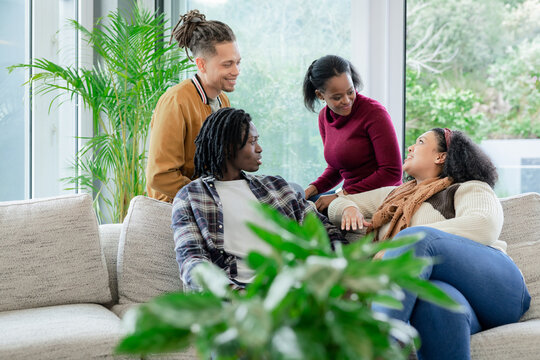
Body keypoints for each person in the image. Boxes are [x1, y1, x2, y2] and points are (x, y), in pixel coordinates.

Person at [328, 128, 531, 360]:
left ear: (440, 156)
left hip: (498, 289)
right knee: (433, 303)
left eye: (420, 142)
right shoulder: (395, 197)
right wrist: (349, 209)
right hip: (460, 302)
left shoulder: (467, 187)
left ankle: (379, 348)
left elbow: (483, 225)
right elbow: (339, 202)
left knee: (416, 239)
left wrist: (399, 246)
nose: (410, 148)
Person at [172, 108, 347, 290]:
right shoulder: (191, 197)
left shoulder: (278, 187)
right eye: (252, 142)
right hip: (232, 299)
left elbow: (324, 231)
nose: (259, 148)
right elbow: (192, 262)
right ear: (228, 148)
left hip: (292, 291)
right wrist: (232, 293)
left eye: (258, 140)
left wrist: (346, 268)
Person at [146, 10, 241, 202]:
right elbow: (159, 176)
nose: (236, 71)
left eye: (238, 63)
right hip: (175, 208)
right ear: (201, 64)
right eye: (227, 64)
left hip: (209, 202)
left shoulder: (224, 102)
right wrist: (212, 196)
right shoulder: (176, 101)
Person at [302, 55, 403, 212]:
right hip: (351, 195)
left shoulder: (374, 113)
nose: (347, 100)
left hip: (381, 195)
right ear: (320, 95)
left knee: (314, 214)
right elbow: (336, 169)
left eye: (350, 91)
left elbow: (392, 173)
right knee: (301, 205)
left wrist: (341, 196)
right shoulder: (324, 117)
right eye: (337, 97)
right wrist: (309, 190)